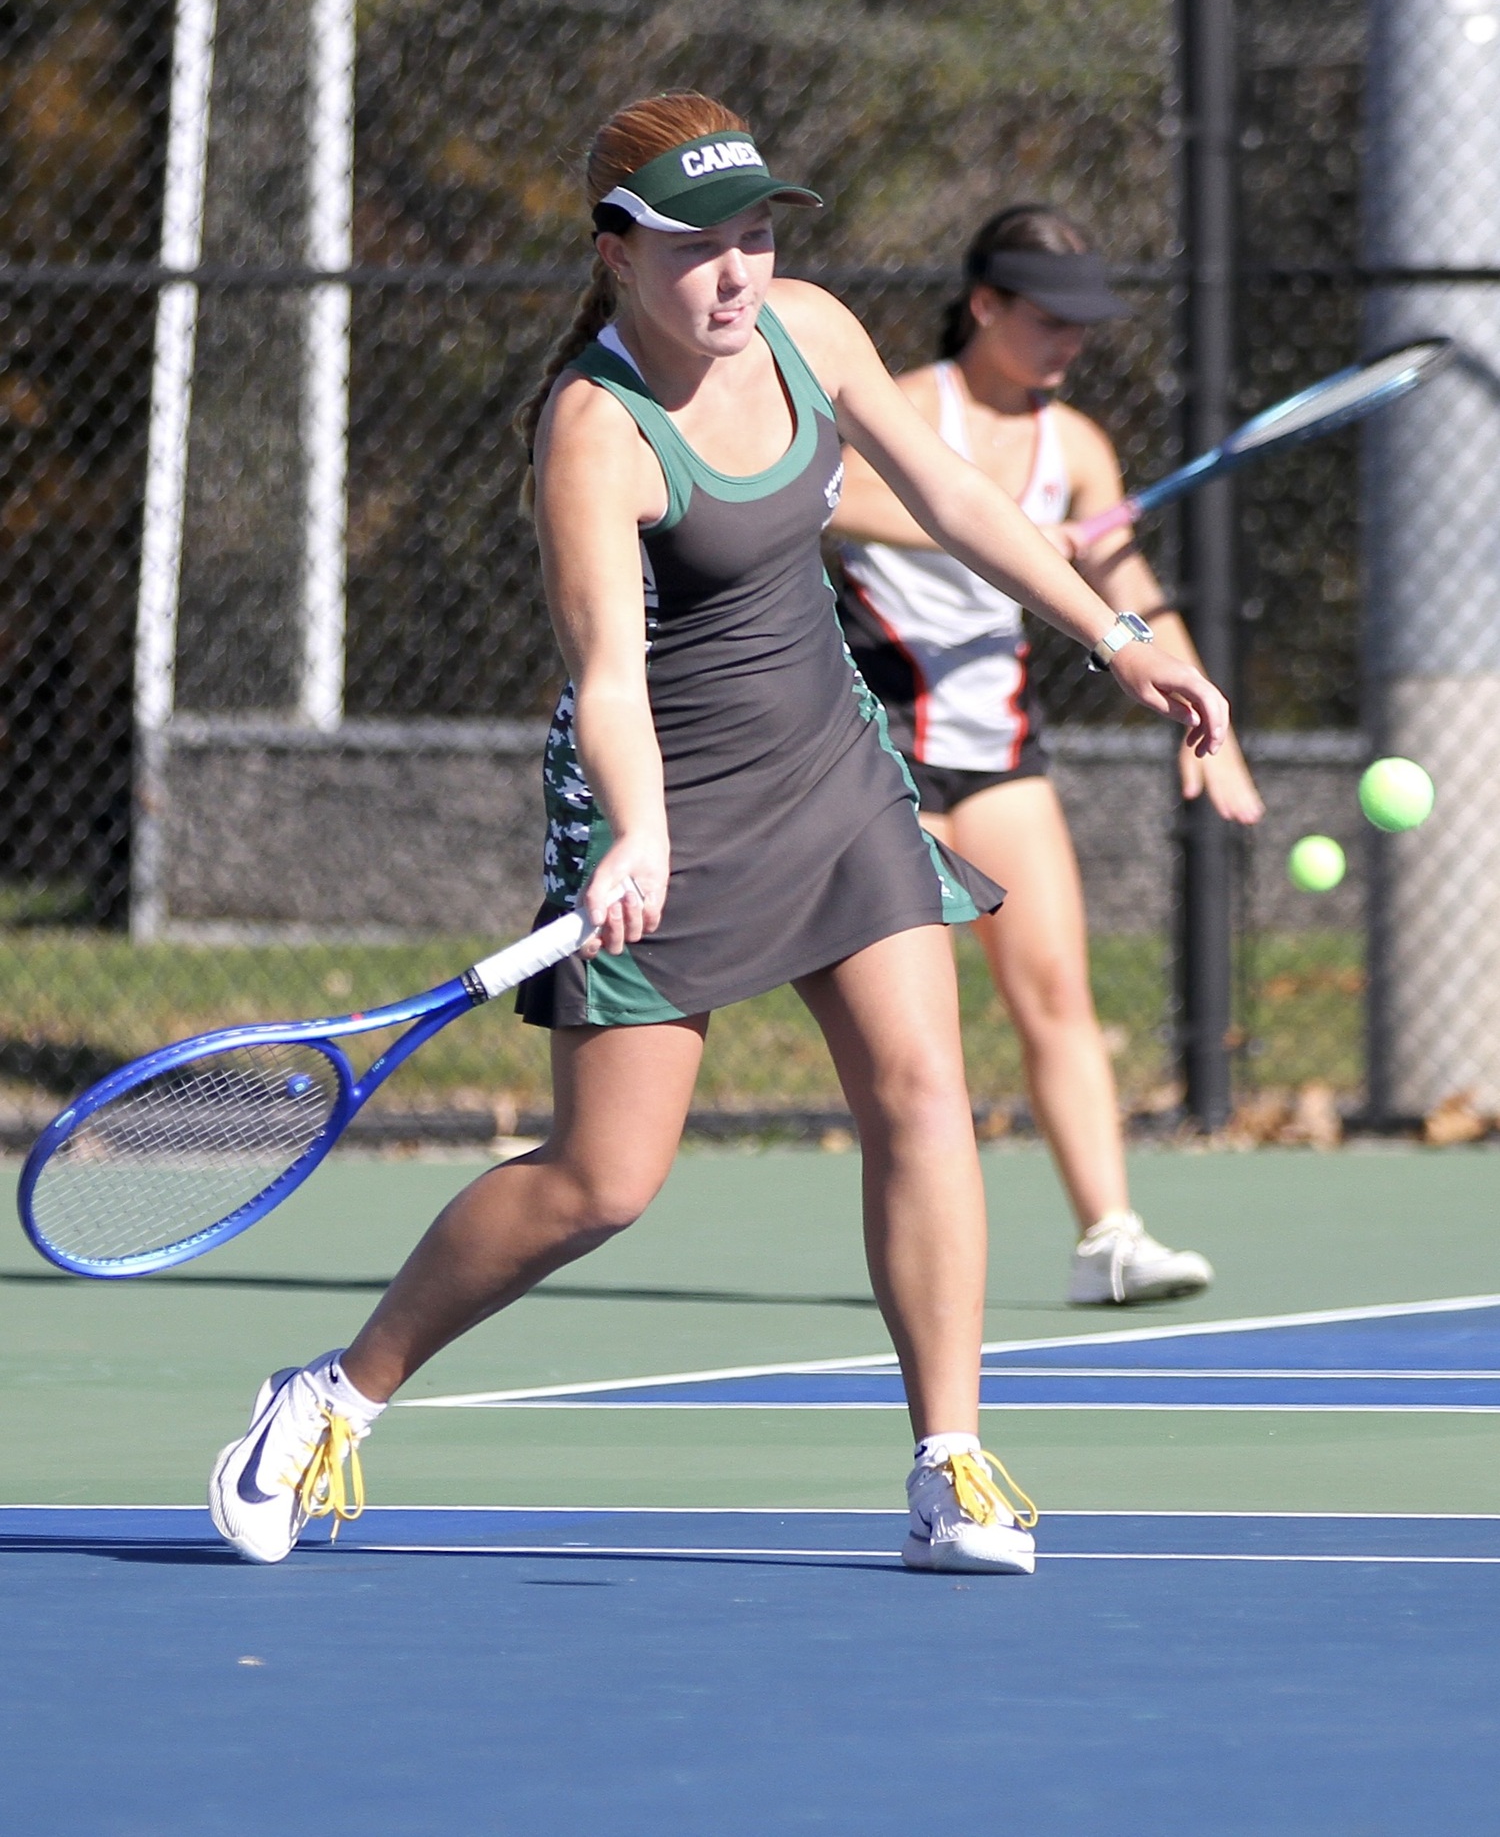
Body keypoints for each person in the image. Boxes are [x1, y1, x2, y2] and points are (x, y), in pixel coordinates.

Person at [209, 97, 1228, 1576]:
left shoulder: (808, 329)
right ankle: (331, 1397)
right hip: (659, 806)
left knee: (923, 1092)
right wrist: (635, 833)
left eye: (757, 234)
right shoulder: (594, 429)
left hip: (833, 769)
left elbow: (949, 495)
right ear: (617, 253)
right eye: (702, 247)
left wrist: (1115, 634)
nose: (739, 273)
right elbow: (607, 674)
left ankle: (951, 1464)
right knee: (604, 1182)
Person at [831, 204, 1264, 1304]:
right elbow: (828, 501)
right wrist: (1000, 531)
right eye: (1048, 317)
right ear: (984, 306)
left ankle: (1108, 1236)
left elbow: (1128, 590)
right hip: (878, 745)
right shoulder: (903, 408)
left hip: (1001, 749)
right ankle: (924, 1246)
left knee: (1057, 994)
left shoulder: (1076, 446)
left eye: (1085, 321)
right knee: (914, 1032)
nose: (1070, 341)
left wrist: (1205, 718)